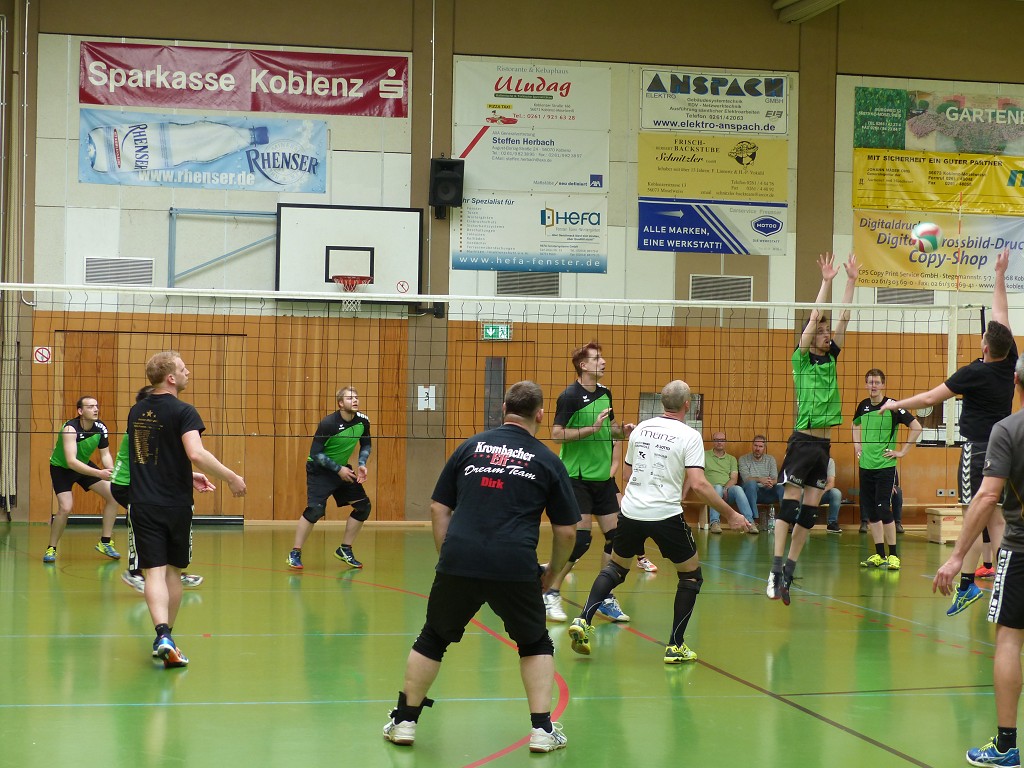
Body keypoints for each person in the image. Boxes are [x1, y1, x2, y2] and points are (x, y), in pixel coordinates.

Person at [382, 381, 579, 754]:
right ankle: (542, 730)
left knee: (433, 637)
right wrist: (552, 575)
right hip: (514, 563)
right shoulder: (548, 460)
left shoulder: (469, 447)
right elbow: (568, 531)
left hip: (460, 557)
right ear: (540, 415)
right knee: (535, 642)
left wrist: (448, 556)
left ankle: (405, 722)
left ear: (504, 408)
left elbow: (439, 507)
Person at [567, 380, 753, 664]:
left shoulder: (641, 429)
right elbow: (699, 484)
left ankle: (583, 618)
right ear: (687, 404)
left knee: (616, 567)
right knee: (690, 576)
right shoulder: (690, 436)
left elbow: (626, 475)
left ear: (662, 402)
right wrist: (732, 514)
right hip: (665, 514)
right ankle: (675, 646)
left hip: (631, 510)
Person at [885, 247, 1015, 615]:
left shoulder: (973, 373)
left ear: (984, 346)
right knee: (995, 517)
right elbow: (1002, 315)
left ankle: (971, 583)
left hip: (978, 448)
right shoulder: (1011, 361)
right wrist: (1000, 275)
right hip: (1005, 446)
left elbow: (929, 398)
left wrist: (894, 404)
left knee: (972, 512)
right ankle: (999, 584)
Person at [127, 351, 246, 668]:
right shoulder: (184, 411)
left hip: (142, 502)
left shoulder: (136, 411)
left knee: (153, 571)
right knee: (172, 572)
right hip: (175, 504)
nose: (188, 372)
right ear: (171, 378)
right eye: (183, 369)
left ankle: (162, 635)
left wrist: (186, 474)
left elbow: (149, 455)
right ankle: (169, 639)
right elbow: (196, 453)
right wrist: (231, 477)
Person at [933, 355, 1024, 767]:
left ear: (1015, 384)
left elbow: (986, 497)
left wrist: (956, 558)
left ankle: (1006, 746)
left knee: (1009, 640)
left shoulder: (1006, 430)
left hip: (1020, 551)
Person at [768, 251, 859, 606]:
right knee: (789, 509)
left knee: (808, 515)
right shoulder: (801, 361)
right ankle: (774, 570)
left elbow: (845, 317)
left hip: (824, 447)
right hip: (803, 442)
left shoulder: (832, 358)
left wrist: (851, 280)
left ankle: (789, 572)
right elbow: (814, 316)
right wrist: (826, 281)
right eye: (820, 332)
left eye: (826, 332)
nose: (825, 334)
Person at [542, 342, 634, 623]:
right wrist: (590, 429)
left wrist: (623, 431)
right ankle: (550, 592)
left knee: (617, 538)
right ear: (583, 366)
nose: (603, 362)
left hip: (602, 479)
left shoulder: (606, 393)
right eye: (596, 359)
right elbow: (556, 435)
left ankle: (604, 596)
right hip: (577, 478)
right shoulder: (569, 396)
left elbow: (611, 431)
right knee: (580, 540)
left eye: (601, 358)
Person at [115, 386, 206, 594]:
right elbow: (149, 461)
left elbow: (159, 462)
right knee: (145, 523)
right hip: (127, 484)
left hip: (144, 483)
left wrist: (188, 475)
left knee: (156, 528)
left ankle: (168, 572)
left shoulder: (153, 426)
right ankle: (135, 572)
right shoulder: (141, 427)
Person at [287, 387, 372, 571]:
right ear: (340, 403)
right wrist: (338, 469)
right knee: (315, 510)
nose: (355, 400)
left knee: (363, 507)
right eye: (350, 398)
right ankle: (295, 552)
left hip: (342, 469)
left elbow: (366, 444)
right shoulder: (328, 423)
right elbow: (315, 454)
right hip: (320, 469)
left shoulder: (363, 421)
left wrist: (362, 463)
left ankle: (345, 549)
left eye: (356, 397)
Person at [853, 368, 922, 569]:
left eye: (877, 382)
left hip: (885, 466)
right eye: (870, 382)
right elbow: (855, 425)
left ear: (883, 385)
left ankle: (893, 555)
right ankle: (879, 554)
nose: (873, 386)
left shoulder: (893, 406)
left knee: (883, 508)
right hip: (865, 465)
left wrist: (902, 452)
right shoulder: (863, 406)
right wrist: (857, 446)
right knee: (871, 511)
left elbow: (917, 427)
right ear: (866, 385)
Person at [44, 395, 121, 563]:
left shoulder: (100, 427)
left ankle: (105, 542)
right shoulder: (70, 429)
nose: (95, 409)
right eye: (90, 406)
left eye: (96, 406)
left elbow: (105, 454)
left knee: (113, 495)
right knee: (65, 508)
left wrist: (110, 471)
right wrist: (99, 474)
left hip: (84, 465)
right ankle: (52, 548)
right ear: (80, 411)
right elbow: (71, 462)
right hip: (62, 469)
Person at [705, 431, 758, 534]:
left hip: (727, 491)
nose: (719, 442)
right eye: (717, 440)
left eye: (722, 440)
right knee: (718, 488)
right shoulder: (704, 455)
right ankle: (714, 522)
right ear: (713, 441)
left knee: (738, 488)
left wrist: (726, 489)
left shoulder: (731, 459)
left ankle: (750, 522)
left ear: (725, 442)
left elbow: (734, 478)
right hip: (710, 491)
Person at [738, 435, 784, 523]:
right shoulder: (743, 459)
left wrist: (770, 482)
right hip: (751, 492)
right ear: (752, 445)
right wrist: (760, 479)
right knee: (751, 484)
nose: (757, 449)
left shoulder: (770, 459)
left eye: (760, 446)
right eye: (755, 445)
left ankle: (786, 520)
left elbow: (775, 479)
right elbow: (746, 479)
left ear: (764, 448)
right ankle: (753, 519)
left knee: (781, 487)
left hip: (768, 491)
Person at [822, 458, 844, 534]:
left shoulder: (829, 461)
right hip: (806, 493)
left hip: (822, 493)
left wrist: (820, 492)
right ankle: (798, 521)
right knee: (801, 492)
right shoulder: (804, 458)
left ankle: (832, 523)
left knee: (836, 493)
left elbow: (831, 483)